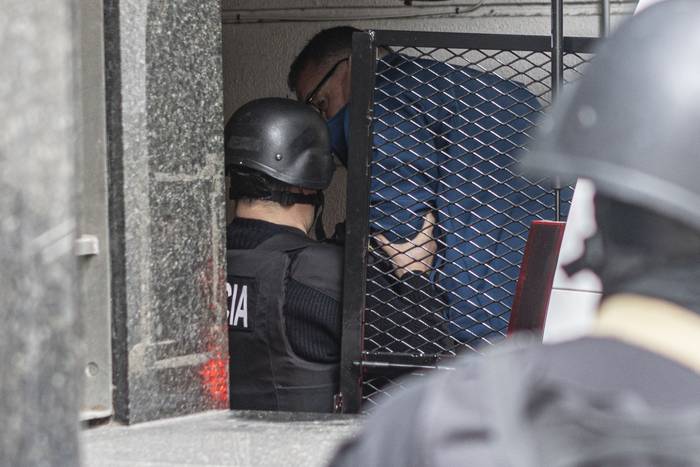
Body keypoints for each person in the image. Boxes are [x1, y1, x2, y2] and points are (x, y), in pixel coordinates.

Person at [328, 0, 700, 463]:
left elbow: (401, 239)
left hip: (458, 337)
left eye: (318, 103)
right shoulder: (509, 99)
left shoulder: (430, 421)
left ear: (597, 210)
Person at [288, 26, 551, 345]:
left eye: (321, 104)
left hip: (472, 326)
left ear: (349, 67)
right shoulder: (501, 92)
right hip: (545, 305)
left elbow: (401, 238)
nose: (323, 123)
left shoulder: (381, 100)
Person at [225, 98, 446, 413]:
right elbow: (426, 362)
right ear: (308, 186)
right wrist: (415, 275)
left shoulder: (204, 264)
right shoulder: (325, 273)